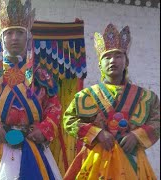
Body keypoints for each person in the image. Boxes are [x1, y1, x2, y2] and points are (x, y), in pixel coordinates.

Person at [0, 0, 63, 179]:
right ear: (1, 38)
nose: (14, 37)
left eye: (19, 33)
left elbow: (54, 107)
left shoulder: (41, 77)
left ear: (28, 37)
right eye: (9, 33)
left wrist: (44, 128)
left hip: (32, 144)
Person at [63, 24, 160, 179]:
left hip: (133, 158)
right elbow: (69, 120)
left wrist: (137, 136)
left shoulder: (146, 97)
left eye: (118, 56)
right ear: (100, 64)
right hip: (96, 160)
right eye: (107, 57)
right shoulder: (85, 96)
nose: (112, 61)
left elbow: (157, 121)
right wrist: (97, 133)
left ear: (126, 62)